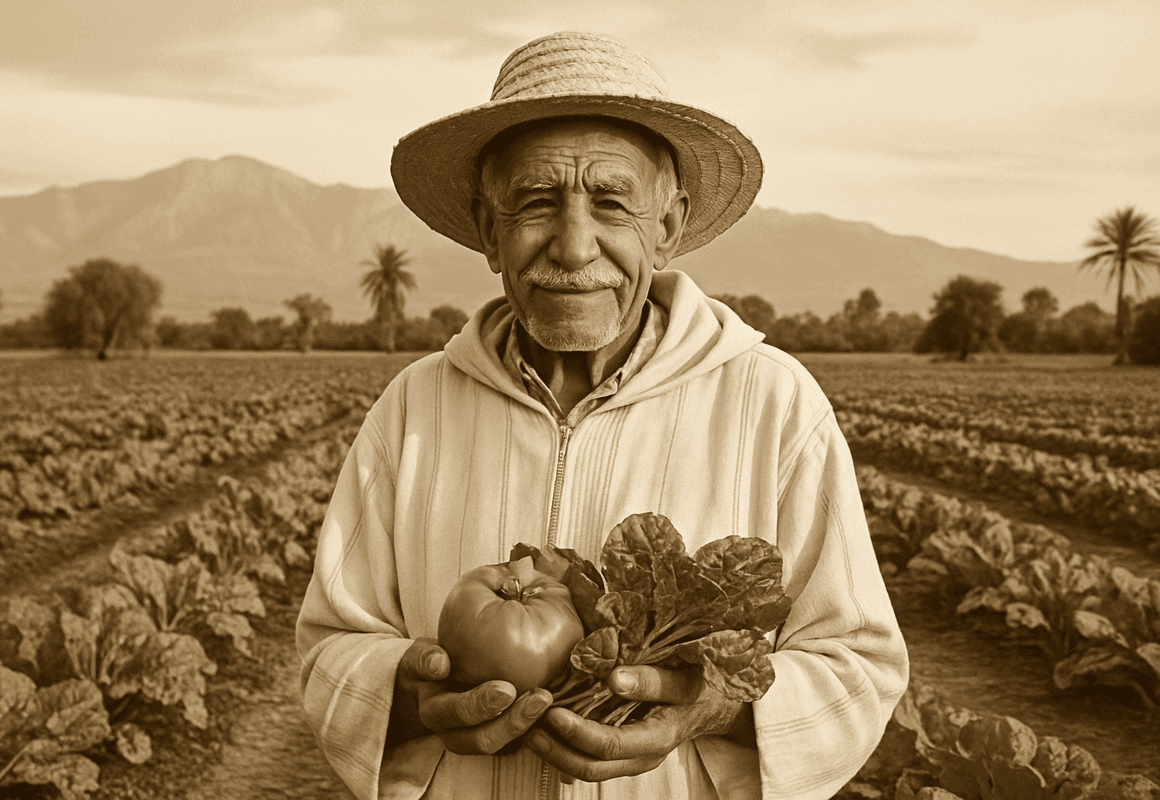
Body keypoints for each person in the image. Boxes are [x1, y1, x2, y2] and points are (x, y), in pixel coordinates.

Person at [297, 31, 908, 800]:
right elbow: (329, 647)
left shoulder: (772, 404)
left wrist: (708, 707)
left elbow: (859, 663)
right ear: (489, 231)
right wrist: (407, 697)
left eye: (611, 203)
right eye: (535, 203)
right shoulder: (413, 408)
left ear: (669, 226)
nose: (575, 246)